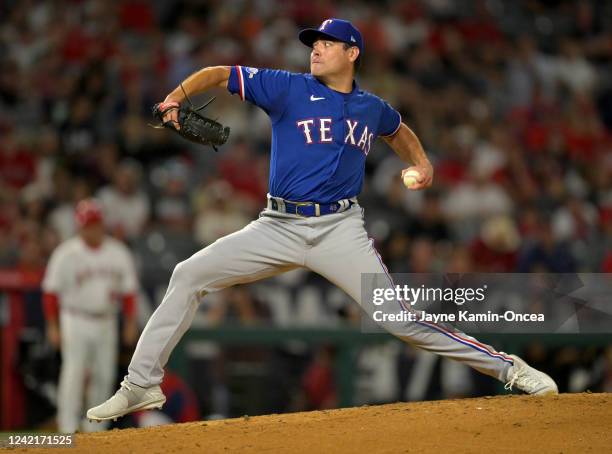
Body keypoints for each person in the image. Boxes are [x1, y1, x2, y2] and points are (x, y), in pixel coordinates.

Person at [87, 18, 557, 422]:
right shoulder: (288, 87)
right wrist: (173, 98)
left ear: (352, 53)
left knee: (399, 320)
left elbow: (398, 130)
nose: (316, 48)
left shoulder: (370, 107)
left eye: (327, 43)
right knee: (187, 275)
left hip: (339, 230)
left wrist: (422, 163)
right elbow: (218, 72)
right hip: (277, 225)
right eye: (314, 43)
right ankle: (140, 383)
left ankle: (509, 369)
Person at [43, 198, 139, 432]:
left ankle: (95, 431)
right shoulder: (66, 253)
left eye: (95, 223)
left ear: (102, 224)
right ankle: (67, 427)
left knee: (104, 375)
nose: (92, 228)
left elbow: (129, 292)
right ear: (79, 226)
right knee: (73, 372)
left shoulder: (118, 252)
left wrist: (129, 323)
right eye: (87, 224)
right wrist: (53, 326)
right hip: (75, 318)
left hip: (106, 320)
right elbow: (50, 293)